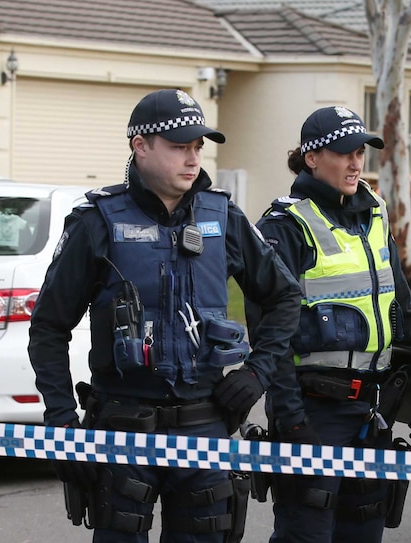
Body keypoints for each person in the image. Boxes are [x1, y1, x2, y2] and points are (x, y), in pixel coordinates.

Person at [28, 88, 301, 542]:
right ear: (140, 147)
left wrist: (257, 372)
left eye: (197, 146)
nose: (192, 158)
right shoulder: (97, 221)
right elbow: (49, 327)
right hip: (122, 429)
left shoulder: (223, 217)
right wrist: (61, 422)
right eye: (179, 146)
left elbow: (283, 298)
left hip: (205, 428)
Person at [250, 105, 411, 543]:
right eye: (344, 152)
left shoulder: (374, 214)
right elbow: (268, 337)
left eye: (361, 152)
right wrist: (293, 423)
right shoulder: (283, 227)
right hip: (313, 412)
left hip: (370, 412)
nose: (356, 163)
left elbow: (402, 306)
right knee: (307, 532)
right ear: (312, 158)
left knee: (365, 527)